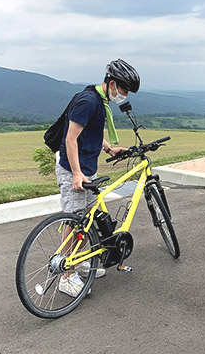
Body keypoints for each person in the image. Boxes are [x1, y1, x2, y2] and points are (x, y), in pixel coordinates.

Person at [56, 59, 140, 297]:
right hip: (74, 169)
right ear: (113, 84)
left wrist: (109, 148)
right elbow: (70, 139)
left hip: (86, 167)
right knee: (75, 222)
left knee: (88, 220)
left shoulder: (100, 100)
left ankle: (80, 261)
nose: (124, 95)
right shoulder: (88, 101)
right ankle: (67, 275)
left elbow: (90, 133)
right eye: (124, 90)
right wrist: (75, 173)